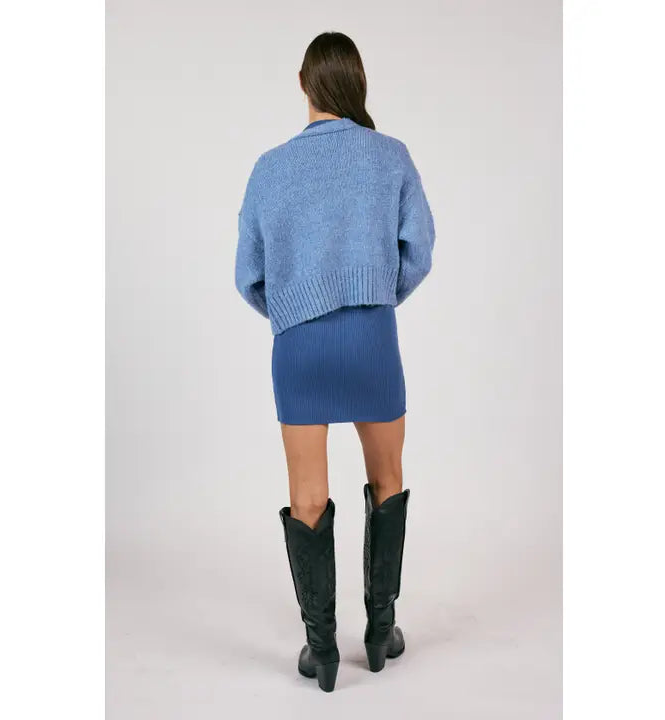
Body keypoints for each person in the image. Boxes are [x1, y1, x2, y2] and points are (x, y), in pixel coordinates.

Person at [235, 31, 435, 692]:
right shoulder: (390, 156)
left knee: (307, 494)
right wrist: (373, 294)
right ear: (357, 82)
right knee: (388, 477)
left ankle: (321, 651)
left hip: (299, 348)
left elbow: (249, 276)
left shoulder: (269, 169)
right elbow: (419, 251)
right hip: (371, 338)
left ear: (304, 83)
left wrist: (295, 312)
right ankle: (380, 634)